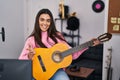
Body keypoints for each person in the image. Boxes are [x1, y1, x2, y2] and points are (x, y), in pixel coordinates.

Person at [19, 8, 100, 80]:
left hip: (56, 71)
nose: (45, 23)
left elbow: (71, 54)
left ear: (51, 22)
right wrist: (29, 56)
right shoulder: (31, 40)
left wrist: (88, 44)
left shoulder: (57, 36)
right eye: (42, 19)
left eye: (48, 20)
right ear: (37, 21)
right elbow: (21, 61)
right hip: (39, 74)